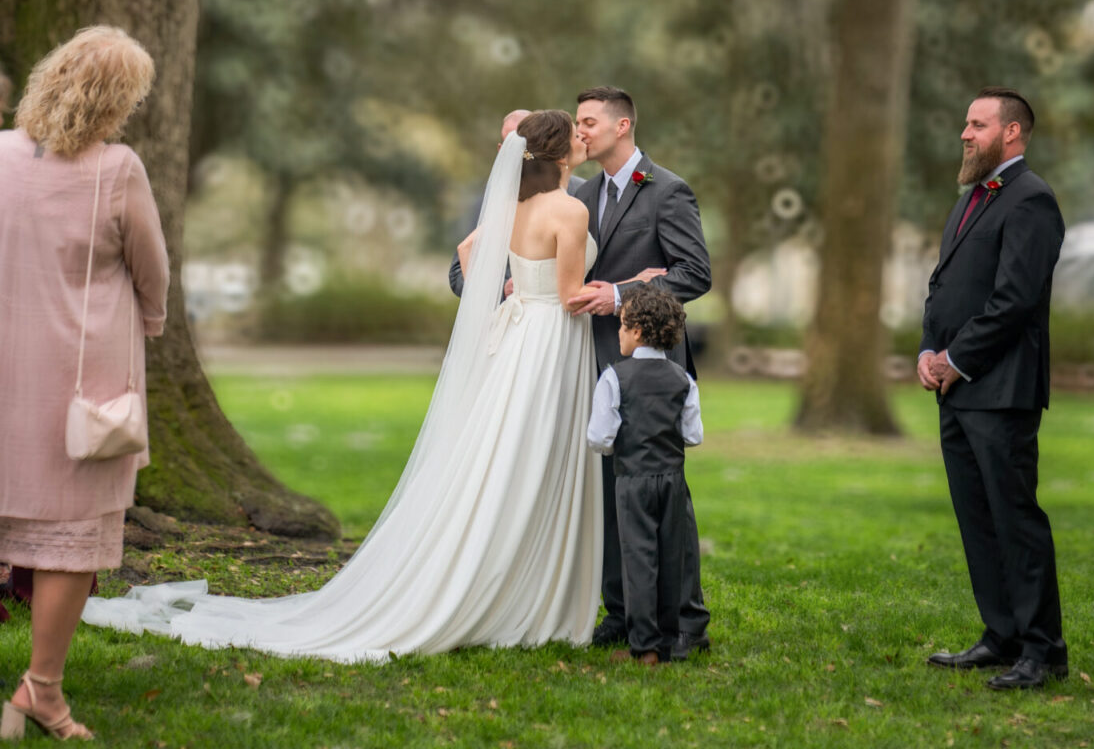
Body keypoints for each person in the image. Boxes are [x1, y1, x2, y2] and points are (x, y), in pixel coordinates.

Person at [83, 110, 602, 659]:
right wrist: (623, 289)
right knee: (534, 453)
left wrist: (502, 297)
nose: (581, 137)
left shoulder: (512, 208)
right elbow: (572, 296)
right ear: (560, 154)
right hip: (549, 336)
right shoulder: (568, 209)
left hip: (516, 335)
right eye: (575, 133)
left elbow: (469, 253)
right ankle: (529, 592)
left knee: (500, 455)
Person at [0, 26, 169, 742]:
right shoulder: (117, 168)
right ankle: (40, 691)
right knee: (69, 534)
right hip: (83, 381)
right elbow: (150, 266)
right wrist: (153, 319)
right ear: (117, 101)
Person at [918, 88, 1067, 690]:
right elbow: (944, 286)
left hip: (1001, 388)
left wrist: (957, 356)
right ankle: (1000, 636)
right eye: (965, 123)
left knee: (1015, 520)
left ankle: (1043, 650)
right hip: (955, 389)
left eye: (977, 124)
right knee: (976, 518)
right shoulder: (972, 200)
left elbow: (1016, 300)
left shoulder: (1031, 200)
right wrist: (930, 349)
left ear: (1011, 133)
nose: (964, 133)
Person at [568, 86, 711, 657]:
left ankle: (684, 624)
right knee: (610, 493)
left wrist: (626, 291)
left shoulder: (668, 190)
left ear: (623, 125)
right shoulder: (581, 192)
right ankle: (622, 613)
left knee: (664, 499)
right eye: (576, 124)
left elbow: (695, 274)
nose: (580, 132)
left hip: (652, 371)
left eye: (588, 122)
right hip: (594, 362)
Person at [587, 286, 702, 666]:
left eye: (621, 325)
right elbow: (692, 435)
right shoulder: (683, 379)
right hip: (672, 480)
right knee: (673, 557)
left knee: (638, 558)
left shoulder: (613, 379)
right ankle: (672, 642)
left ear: (636, 331)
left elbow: (600, 437)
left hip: (632, 481)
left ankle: (645, 646)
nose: (618, 333)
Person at [446, 109, 584, 298]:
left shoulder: (580, 192)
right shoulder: (495, 195)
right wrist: (502, 290)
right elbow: (458, 272)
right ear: (501, 149)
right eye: (512, 143)